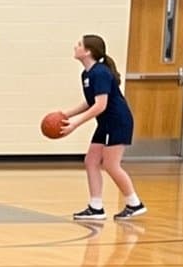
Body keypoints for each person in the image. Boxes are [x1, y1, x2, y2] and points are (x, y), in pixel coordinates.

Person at [55, 32, 146, 221]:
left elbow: (101, 105)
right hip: (105, 123)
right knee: (91, 161)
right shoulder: (87, 74)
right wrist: (66, 114)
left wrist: (75, 125)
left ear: (88, 51)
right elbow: (91, 102)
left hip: (117, 121)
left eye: (79, 44)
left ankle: (134, 203)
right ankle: (96, 207)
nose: (75, 46)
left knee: (111, 165)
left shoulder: (100, 73)